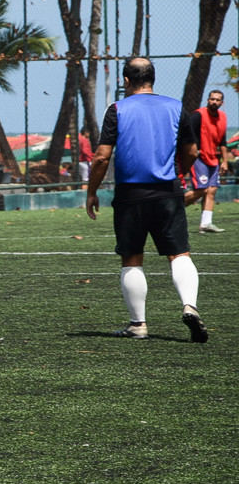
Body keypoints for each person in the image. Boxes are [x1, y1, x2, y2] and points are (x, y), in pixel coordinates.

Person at [85, 57, 206, 343]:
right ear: (152, 79)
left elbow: (101, 157)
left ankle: (138, 325)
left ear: (126, 80)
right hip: (168, 192)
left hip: (131, 195)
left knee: (132, 258)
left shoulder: (117, 109)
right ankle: (189, 306)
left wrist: (92, 191)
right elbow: (192, 151)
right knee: (179, 254)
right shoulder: (175, 107)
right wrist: (179, 174)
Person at [184, 89, 228, 233]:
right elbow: (186, 133)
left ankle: (206, 223)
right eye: (212, 99)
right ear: (207, 100)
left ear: (222, 103)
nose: (214, 102)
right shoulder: (198, 115)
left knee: (212, 190)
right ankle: (171, 209)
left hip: (213, 159)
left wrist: (225, 161)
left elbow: (223, 142)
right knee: (201, 190)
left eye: (217, 100)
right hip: (199, 158)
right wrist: (192, 151)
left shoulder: (223, 117)